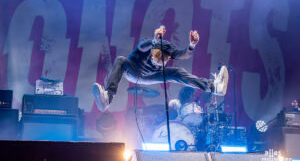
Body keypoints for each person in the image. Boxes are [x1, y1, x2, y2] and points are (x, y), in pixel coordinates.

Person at [92, 26, 229, 112]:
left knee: (177, 72)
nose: (157, 63)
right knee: (121, 60)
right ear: (153, 53)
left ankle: (214, 87)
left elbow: (183, 54)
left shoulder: (169, 50)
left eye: (161, 63)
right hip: (132, 71)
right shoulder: (146, 46)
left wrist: (191, 45)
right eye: (155, 60)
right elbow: (142, 46)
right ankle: (107, 97)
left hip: (151, 77)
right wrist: (154, 41)